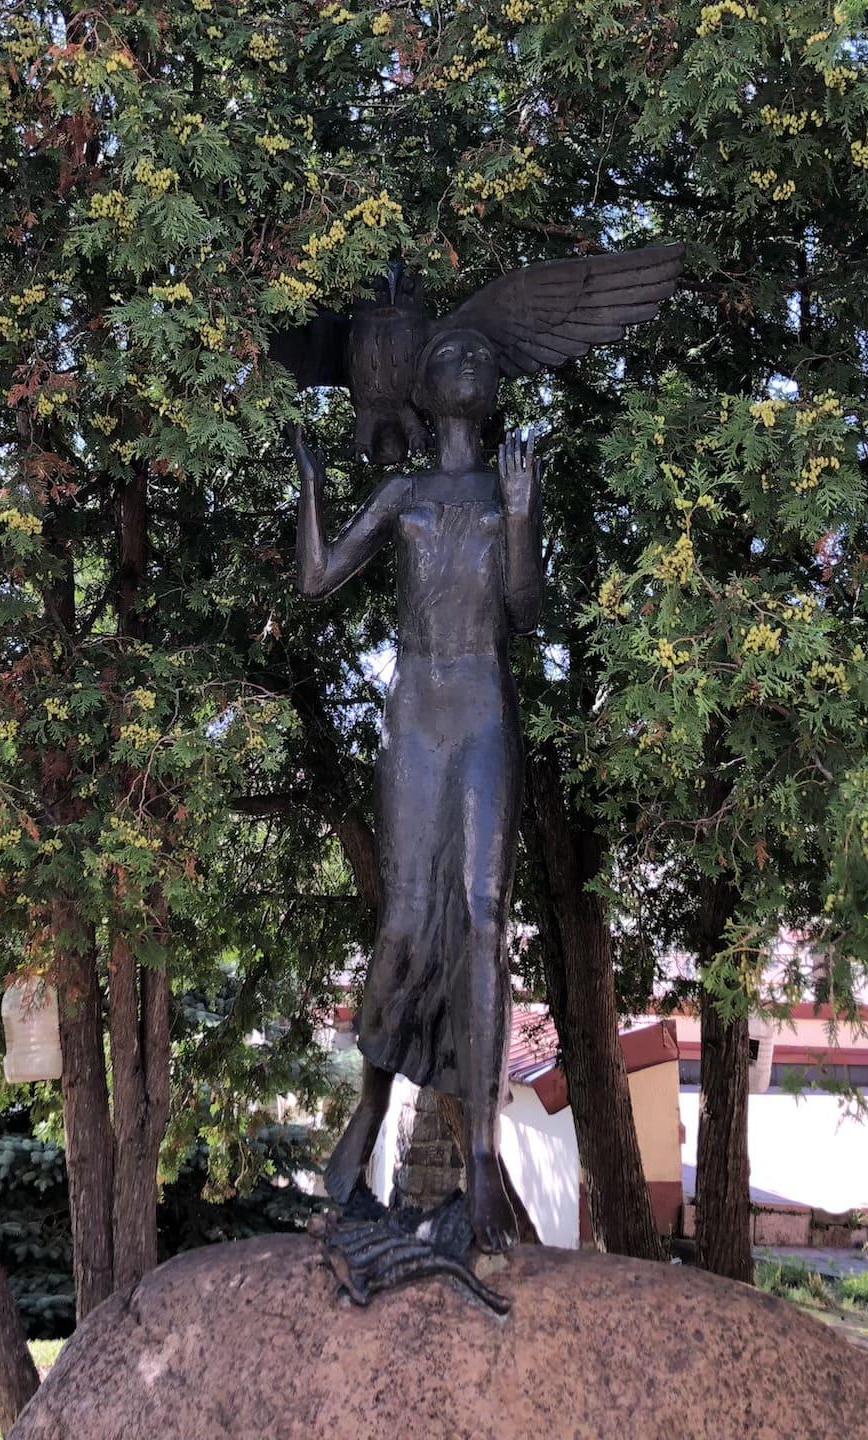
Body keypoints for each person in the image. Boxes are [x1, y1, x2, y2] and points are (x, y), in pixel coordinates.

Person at [289, 326, 541, 1255]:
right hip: (415, 713)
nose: (469, 361)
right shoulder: (401, 491)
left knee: (481, 916)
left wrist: (518, 517)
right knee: (402, 922)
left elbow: (525, 611)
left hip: (481, 703)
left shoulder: (510, 480)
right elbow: (318, 578)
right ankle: (364, 1122)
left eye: (480, 355)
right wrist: (312, 485)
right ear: (425, 394)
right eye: (449, 358)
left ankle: (480, 1153)